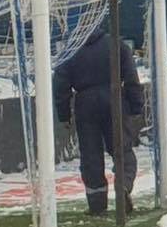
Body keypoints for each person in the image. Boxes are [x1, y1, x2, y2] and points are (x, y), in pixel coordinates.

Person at [53, 27, 142, 215]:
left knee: (91, 156)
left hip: (85, 104)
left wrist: (64, 115)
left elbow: (60, 86)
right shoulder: (117, 45)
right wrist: (136, 106)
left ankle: (96, 204)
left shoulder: (71, 50)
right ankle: (123, 186)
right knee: (122, 149)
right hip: (115, 99)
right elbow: (132, 78)